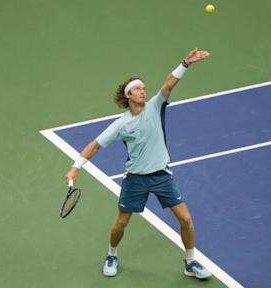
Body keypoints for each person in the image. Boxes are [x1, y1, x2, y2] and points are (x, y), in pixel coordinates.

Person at [64, 48, 211, 279]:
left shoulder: (154, 106)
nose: (143, 91)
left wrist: (186, 63)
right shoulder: (121, 125)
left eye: (143, 88)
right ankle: (111, 254)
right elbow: (94, 145)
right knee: (121, 223)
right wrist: (75, 166)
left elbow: (169, 84)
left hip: (162, 175)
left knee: (186, 219)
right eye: (138, 89)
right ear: (128, 96)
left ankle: (190, 262)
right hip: (135, 179)